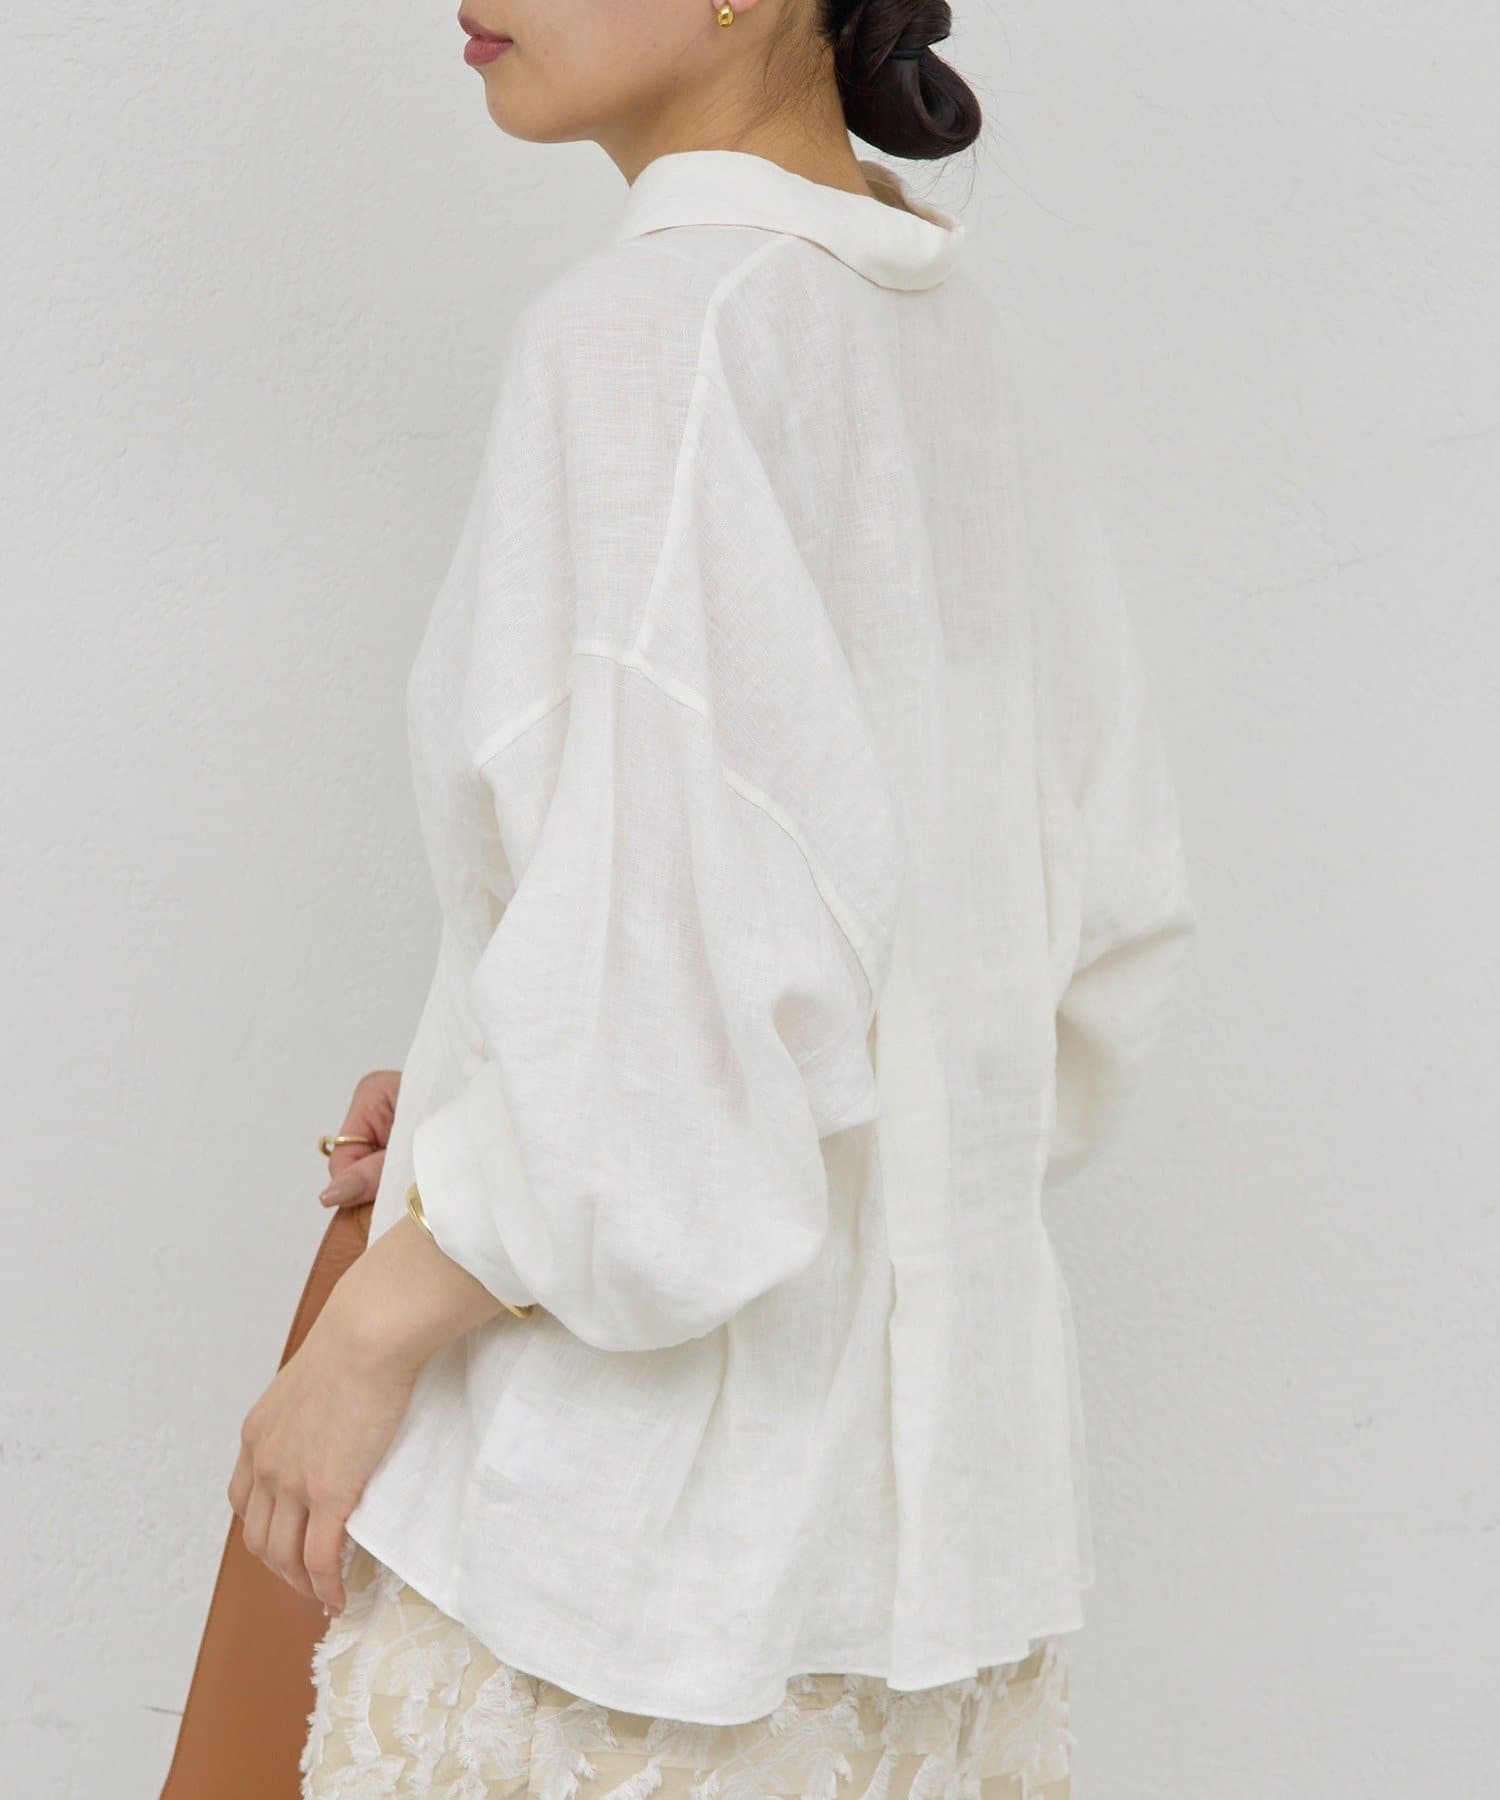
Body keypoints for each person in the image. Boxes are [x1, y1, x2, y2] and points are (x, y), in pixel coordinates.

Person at [227, 1, 1196, 1793]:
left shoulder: (649, 334)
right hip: (937, 1593)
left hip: (626, 1579)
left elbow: (681, 1043)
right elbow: (1080, 949)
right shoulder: (943, 342)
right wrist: (499, 1105)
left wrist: (381, 1320)